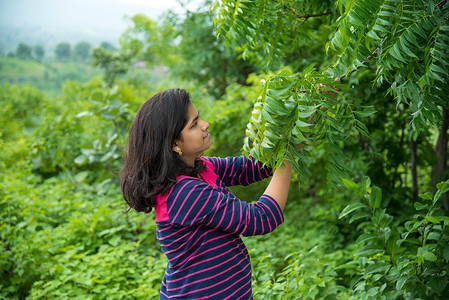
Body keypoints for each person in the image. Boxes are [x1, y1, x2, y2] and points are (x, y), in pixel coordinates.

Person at [120, 88, 302, 299]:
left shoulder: (201, 168)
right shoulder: (185, 193)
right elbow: (261, 218)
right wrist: (288, 156)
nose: (205, 125)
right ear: (174, 144)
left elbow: (254, 167)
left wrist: (295, 123)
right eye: (194, 124)